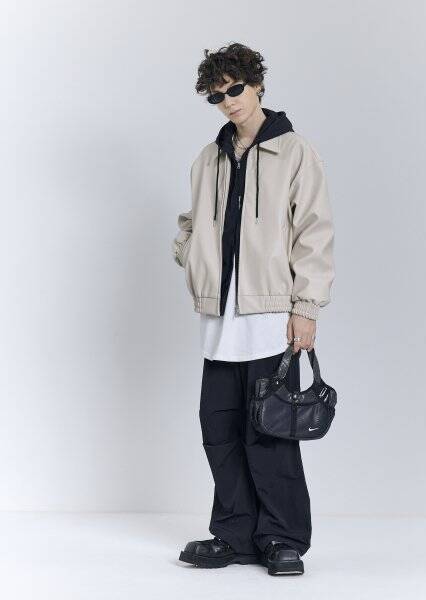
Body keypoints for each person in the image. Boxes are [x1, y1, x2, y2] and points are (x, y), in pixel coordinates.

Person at [171, 42, 335, 576]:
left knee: (269, 431)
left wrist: (306, 306)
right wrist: (192, 257)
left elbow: (313, 232)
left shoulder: (295, 151)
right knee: (219, 430)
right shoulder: (209, 157)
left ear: (257, 85)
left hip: (269, 315)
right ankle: (234, 534)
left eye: (235, 89)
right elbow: (191, 224)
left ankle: (282, 537)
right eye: (217, 95)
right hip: (219, 319)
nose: (228, 101)